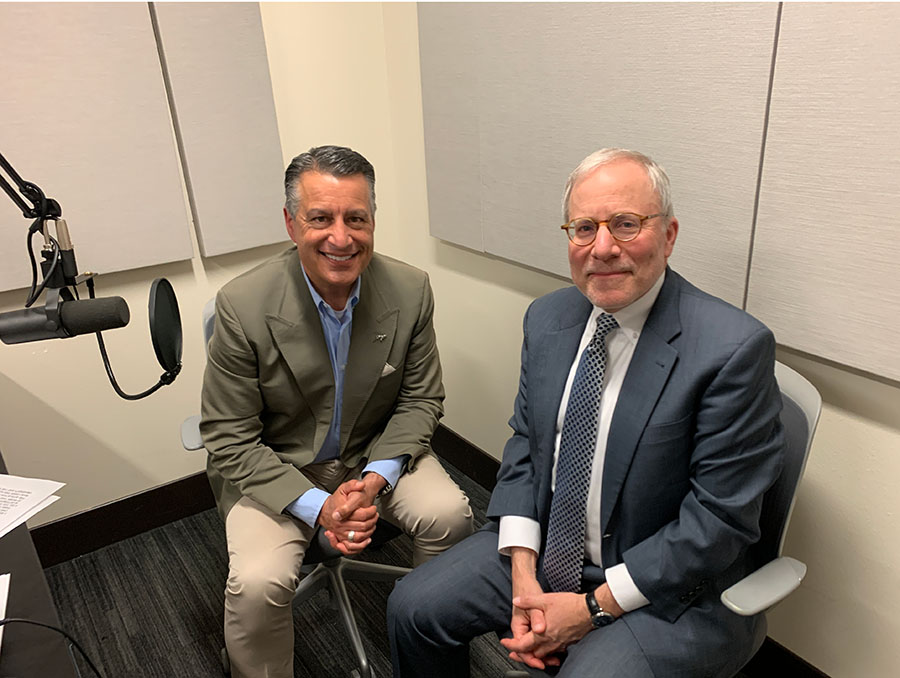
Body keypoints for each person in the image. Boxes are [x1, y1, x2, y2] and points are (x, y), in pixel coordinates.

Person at [387, 148, 784, 678]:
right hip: (552, 550)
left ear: (668, 235)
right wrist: (525, 574)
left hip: (670, 587)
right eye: (583, 227)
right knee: (412, 608)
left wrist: (592, 607)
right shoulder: (548, 319)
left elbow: (717, 522)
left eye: (625, 224)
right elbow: (527, 444)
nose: (602, 248)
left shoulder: (731, 350)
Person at [201, 145, 473, 678]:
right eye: (320, 218)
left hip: (372, 453)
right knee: (257, 584)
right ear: (290, 222)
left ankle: (427, 653)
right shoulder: (243, 305)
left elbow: (421, 398)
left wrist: (373, 479)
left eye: (356, 218)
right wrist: (319, 507)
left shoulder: (411, 289)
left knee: (452, 516)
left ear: (373, 220)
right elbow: (229, 438)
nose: (341, 237)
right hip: (278, 468)